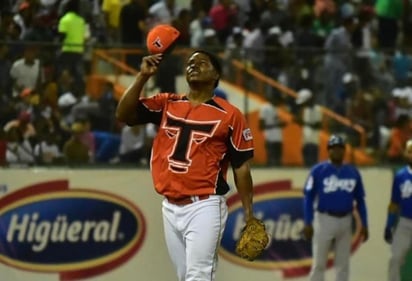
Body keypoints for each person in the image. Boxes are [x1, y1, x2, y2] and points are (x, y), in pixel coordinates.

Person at [116, 50, 257, 281]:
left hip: (204, 205)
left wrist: (249, 214)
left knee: (198, 276)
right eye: (190, 63)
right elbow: (124, 114)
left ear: (216, 75)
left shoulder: (230, 115)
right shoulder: (167, 103)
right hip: (170, 206)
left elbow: (241, 166)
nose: (194, 65)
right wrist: (142, 77)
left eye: (202, 63)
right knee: (185, 277)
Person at [302, 134, 369, 281]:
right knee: (319, 264)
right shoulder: (318, 170)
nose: (337, 151)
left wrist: (364, 223)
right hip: (324, 219)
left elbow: (360, 200)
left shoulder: (353, 171)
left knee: (343, 266)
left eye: (340, 148)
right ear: (328, 150)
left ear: (344, 151)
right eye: (333, 148)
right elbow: (308, 197)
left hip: (346, 220)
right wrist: (308, 221)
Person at [384, 139, 412, 281]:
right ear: (406, 154)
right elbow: (394, 203)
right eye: (410, 152)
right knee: (394, 259)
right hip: (405, 222)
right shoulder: (400, 176)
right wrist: (389, 225)